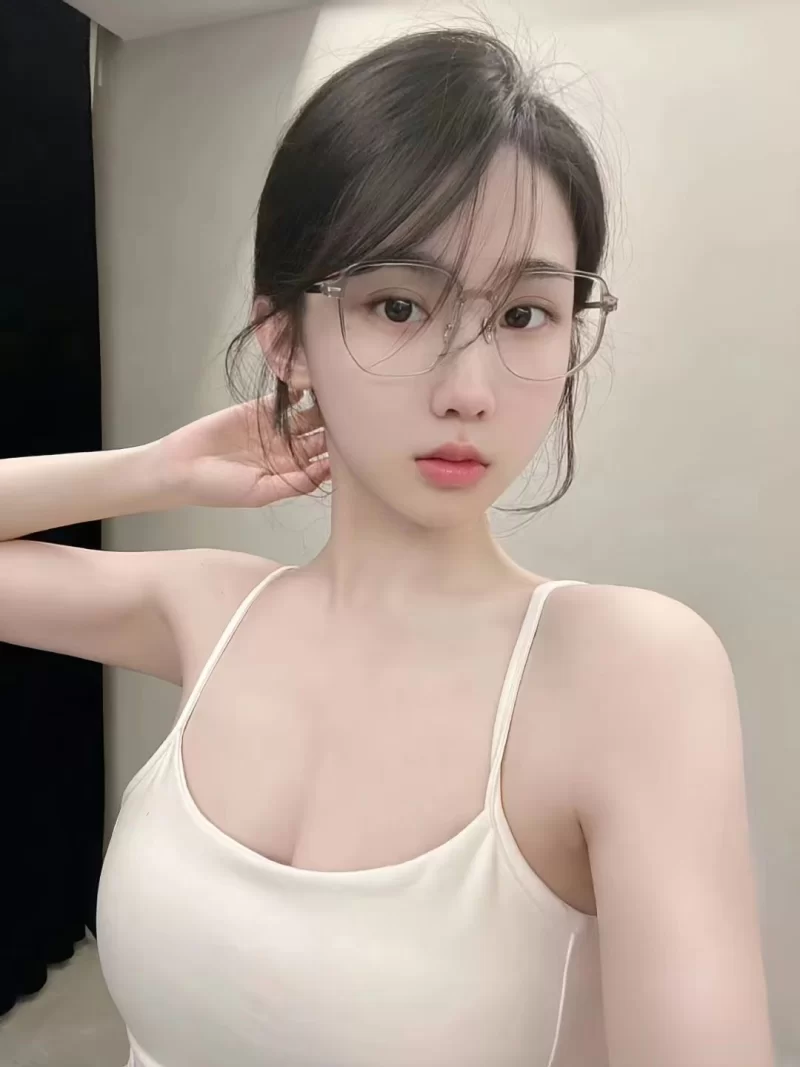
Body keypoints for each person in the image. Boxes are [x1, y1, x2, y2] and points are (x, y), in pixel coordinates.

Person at [0, 26, 774, 1067]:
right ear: (285, 339)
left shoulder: (625, 672)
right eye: (399, 305)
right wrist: (151, 470)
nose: (469, 388)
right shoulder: (212, 611)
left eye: (525, 313)